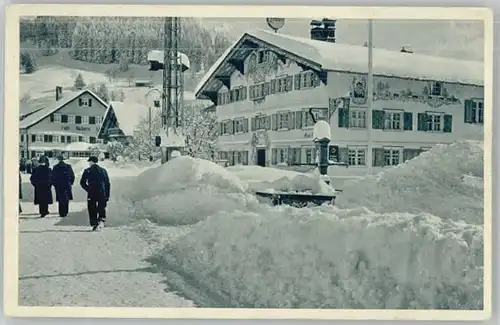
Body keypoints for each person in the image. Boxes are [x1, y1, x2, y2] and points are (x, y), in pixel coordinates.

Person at [80, 156, 111, 231]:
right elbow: (107, 183)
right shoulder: (103, 170)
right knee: (101, 207)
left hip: (92, 192)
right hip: (102, 192)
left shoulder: (87, 171)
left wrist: (88, 189)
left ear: (91, 162)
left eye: (89, 161)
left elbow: (82, 182)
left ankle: (94, 222)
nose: (89, 163)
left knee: (91, 208)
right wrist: (107, 195)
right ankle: (101, 220)